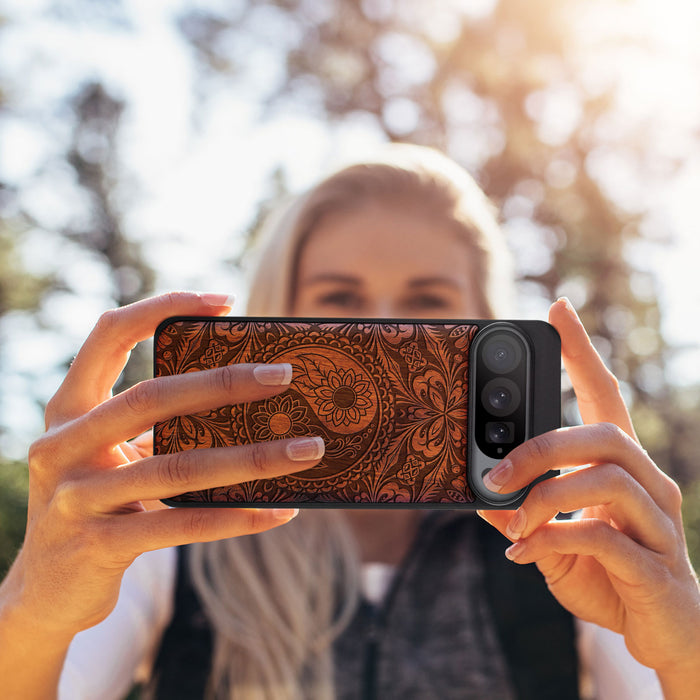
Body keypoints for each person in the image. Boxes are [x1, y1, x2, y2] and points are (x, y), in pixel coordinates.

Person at [0, 145, 698, 700]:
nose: (388, 327)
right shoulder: (170, 535)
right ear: (278, 316)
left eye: (428, 301)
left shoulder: (567, 544)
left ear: (487, 322)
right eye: (340, 299)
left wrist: (685, 648)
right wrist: (34, 607)